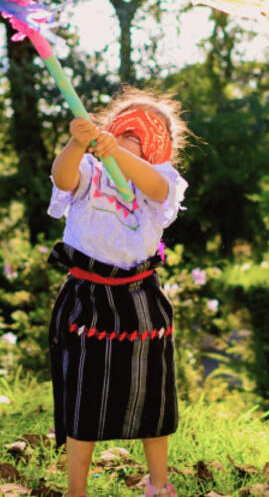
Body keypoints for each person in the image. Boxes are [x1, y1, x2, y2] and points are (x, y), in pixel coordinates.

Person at [46, 88, 191, 497]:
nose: (132, 138)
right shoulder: (90, 169)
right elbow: (62, 177)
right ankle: (77, 489)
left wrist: (120, 153)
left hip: (140, 297)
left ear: (160, 146)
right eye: (125, 130)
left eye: (144, 135)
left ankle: (158, 483)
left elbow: (156, 189)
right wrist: (78, 142)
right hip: (86, 295)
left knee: (153, 395)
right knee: (83, 397)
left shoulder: (161, 177)